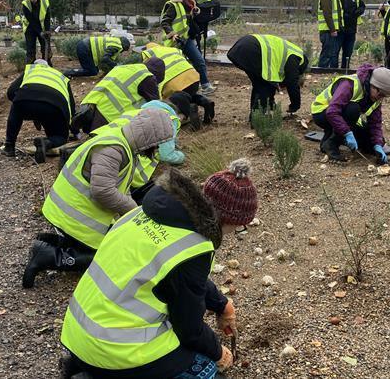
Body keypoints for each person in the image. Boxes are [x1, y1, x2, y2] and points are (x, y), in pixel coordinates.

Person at [59, 159, 258, 379]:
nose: (237, 230)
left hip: (78, 332)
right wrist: (218, 352)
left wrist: (222, 304)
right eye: (240, 226)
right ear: (229, 219)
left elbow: (180, 277)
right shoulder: (194, 249)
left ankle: (83, 366)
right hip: (116, 349)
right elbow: (189, 330)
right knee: (207, 370)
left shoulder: (143, 213)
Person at [22, 108, 176, 288]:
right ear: (148, 138)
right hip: (75, 215)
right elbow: (102, 190)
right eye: (157, 144)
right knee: (106, 258)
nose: (156, 149)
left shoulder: (122, 143)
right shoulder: (113, 149)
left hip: (72, 211)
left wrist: (129, 216)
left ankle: (52, 242)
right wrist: (132, 210)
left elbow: (120, 186)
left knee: (112, 243)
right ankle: (48, 256)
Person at [311, 64, 390, 164]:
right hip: (322, 112)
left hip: (345, 117)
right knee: (353, 109)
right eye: (380, 94)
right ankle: (331, 144)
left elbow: (375, 124)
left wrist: (377, 144)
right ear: (372, 84)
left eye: (384, 96)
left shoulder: (376, 97)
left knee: (369, 142)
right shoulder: (350, 84)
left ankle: (330, 138)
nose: (380, 98)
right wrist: (347, 132)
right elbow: (332, 112)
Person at [2, 60, 77, 163]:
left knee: (16, 107)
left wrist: (22, 106)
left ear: (35, 65)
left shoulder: (31, 71)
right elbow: (71, 106)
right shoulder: (60, 76)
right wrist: (74, 130)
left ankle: (9, 146)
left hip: (25, 99)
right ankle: (46, 143)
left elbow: (11, 92)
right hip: (54, 106)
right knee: (60, 137)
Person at [227, 34, 308, 120]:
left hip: (243, 45)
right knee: (266, 86)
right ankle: (256, 119)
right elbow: (292, 83)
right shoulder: (296, 58)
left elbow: (281, 80)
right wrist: (295, 105)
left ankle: (260, 112)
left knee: (259, 84)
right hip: (252, 49)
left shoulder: (290, 52)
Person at [74, 59, 165, 133]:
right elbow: (156, 106)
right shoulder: (148, 78)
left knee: (93, 142)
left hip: (90, 106)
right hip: (108, 116)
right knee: (100, 146)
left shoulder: (127, 67)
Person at [141, 42, 214, 128]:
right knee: (188, 94)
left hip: (173, 83)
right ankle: (205, 101)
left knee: (172, 101)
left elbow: (153, 78)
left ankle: (188, 109)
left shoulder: (147, 55)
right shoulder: (171, 49)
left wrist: (158, 102)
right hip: (193, 77)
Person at [161, 0, 215, 95]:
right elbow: (165, 22)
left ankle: (205, 85)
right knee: (173, 67)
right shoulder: (172, 5)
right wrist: (172, 34)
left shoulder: (190, 4)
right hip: (173, 42)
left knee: (199, 60)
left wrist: (195, 11)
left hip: (186, 39)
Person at [64, 35, 132, 78]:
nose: (122, 52)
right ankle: (69, 72)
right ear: (124, 46)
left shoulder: (115, 41)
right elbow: (105, 59)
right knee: (92, 71)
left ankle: (72, 71)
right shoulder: (117, 46)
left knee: (95, 70)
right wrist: (116, 66)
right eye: (124, 50)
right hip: (85, 48)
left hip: (84, 46)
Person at [317, 0, 344, 68]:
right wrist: (332, 29)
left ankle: (327, 72)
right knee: (326, 54)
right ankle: (321, 72)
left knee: (332, 54)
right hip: (327, 30)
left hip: (333, 30)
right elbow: (327, 14)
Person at [21, 0, 51, 65]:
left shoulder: (45, 1)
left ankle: (48, 64)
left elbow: (47, 17)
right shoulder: (25, 4)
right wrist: (40, 32)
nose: (32, 0)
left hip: (42, 26)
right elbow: (32, 21)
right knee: (30, 50)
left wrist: (47, 30)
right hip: (30, 28)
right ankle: (30, 66)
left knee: (46, 47)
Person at [340, 0, 365, 69]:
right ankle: (333, 72)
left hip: (351, 29)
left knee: (348, 53)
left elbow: (362, 6)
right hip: (340, 29)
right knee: (335, 53)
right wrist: (345, 15)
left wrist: (357, 12)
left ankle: (345, 70)